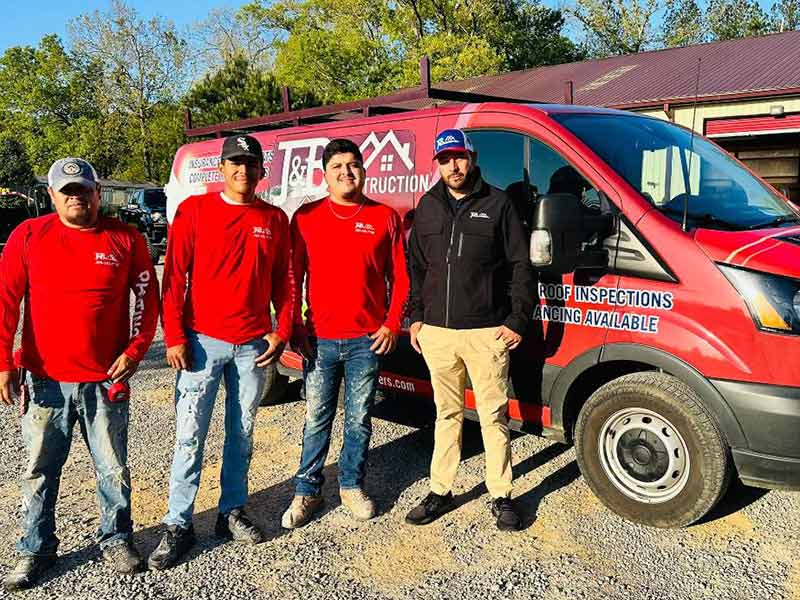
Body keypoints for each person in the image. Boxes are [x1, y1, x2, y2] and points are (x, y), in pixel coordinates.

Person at [0, 158, 160, 590]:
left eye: (83, 189)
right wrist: (4, 363)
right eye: (67, 190)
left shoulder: (125, 239)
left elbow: (147, 299)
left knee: (112, 468)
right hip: (43, 378)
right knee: (39, 469)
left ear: (97, 193)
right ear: (51, 195)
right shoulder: (29, 236)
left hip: (106, 378)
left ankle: (116, 538)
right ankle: (36, 548)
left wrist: (135, 351)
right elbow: (5, 303)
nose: (76, 196)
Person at [149, 134, 294, 570]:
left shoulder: (273, 219)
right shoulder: (195, 210)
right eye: (234, 163)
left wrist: (281, 331)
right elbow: (173, 278)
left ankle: (232, 511)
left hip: (252, 346)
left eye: (250, 164)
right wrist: (173, 336)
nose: (242, 171)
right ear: (221, 168)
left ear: (260, 170)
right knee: (190, 435)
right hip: (200, 343)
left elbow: (284, 281)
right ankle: (178, 522)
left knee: (243, 433)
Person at [405, 129, 535, 531]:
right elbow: (417, 269)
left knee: (493, 416)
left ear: (472, 158)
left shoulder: (499, 204)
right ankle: (441, 490)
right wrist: (416, 318)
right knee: (446, 414)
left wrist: (517, 319)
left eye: (459, 158)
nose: (453, 166)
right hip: (439, 335)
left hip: (486, 333)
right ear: (438, 164)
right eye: (445, 160)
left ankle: (501, 494)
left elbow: (520, 266)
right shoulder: (426, 206)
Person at [281, 139, 410, 528]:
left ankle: (352, 486)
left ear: (364, 171)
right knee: (317, 417)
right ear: (325, 175)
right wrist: (295, 326)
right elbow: (293, 277)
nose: (346, 172)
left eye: (353, 165)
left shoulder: (384, 217)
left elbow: (400, 276)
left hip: (365, 341)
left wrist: (391, 323)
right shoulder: (305, 217)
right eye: (337, 166)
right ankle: (307, 492)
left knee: (358, 418)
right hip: (318, 338)